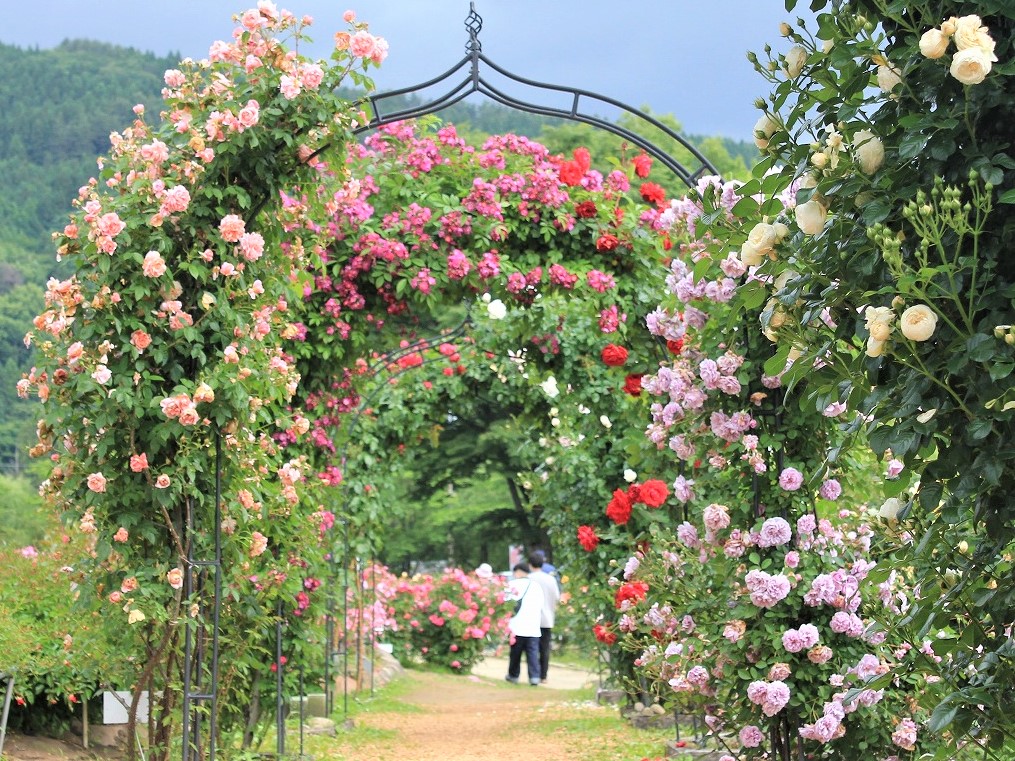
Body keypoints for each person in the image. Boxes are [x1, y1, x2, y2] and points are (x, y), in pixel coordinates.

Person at [505, 562, 544, 686]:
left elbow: (506, 604)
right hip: (533, 625)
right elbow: (541, 605)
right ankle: (534, 677)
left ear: (517, 572)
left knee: (515, 653)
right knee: (532, 653)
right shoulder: (536, 586)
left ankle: (513, 675)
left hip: (516, 625)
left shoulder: (511, 585)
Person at [527, 550, 561, 683]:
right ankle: (543, 676)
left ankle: (534, 674)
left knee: (532, 648)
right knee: (545, 648)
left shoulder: (528, 579)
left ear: (530, 564)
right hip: (547, 618)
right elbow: (557, 597)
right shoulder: (550, 579)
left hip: (531, 618)